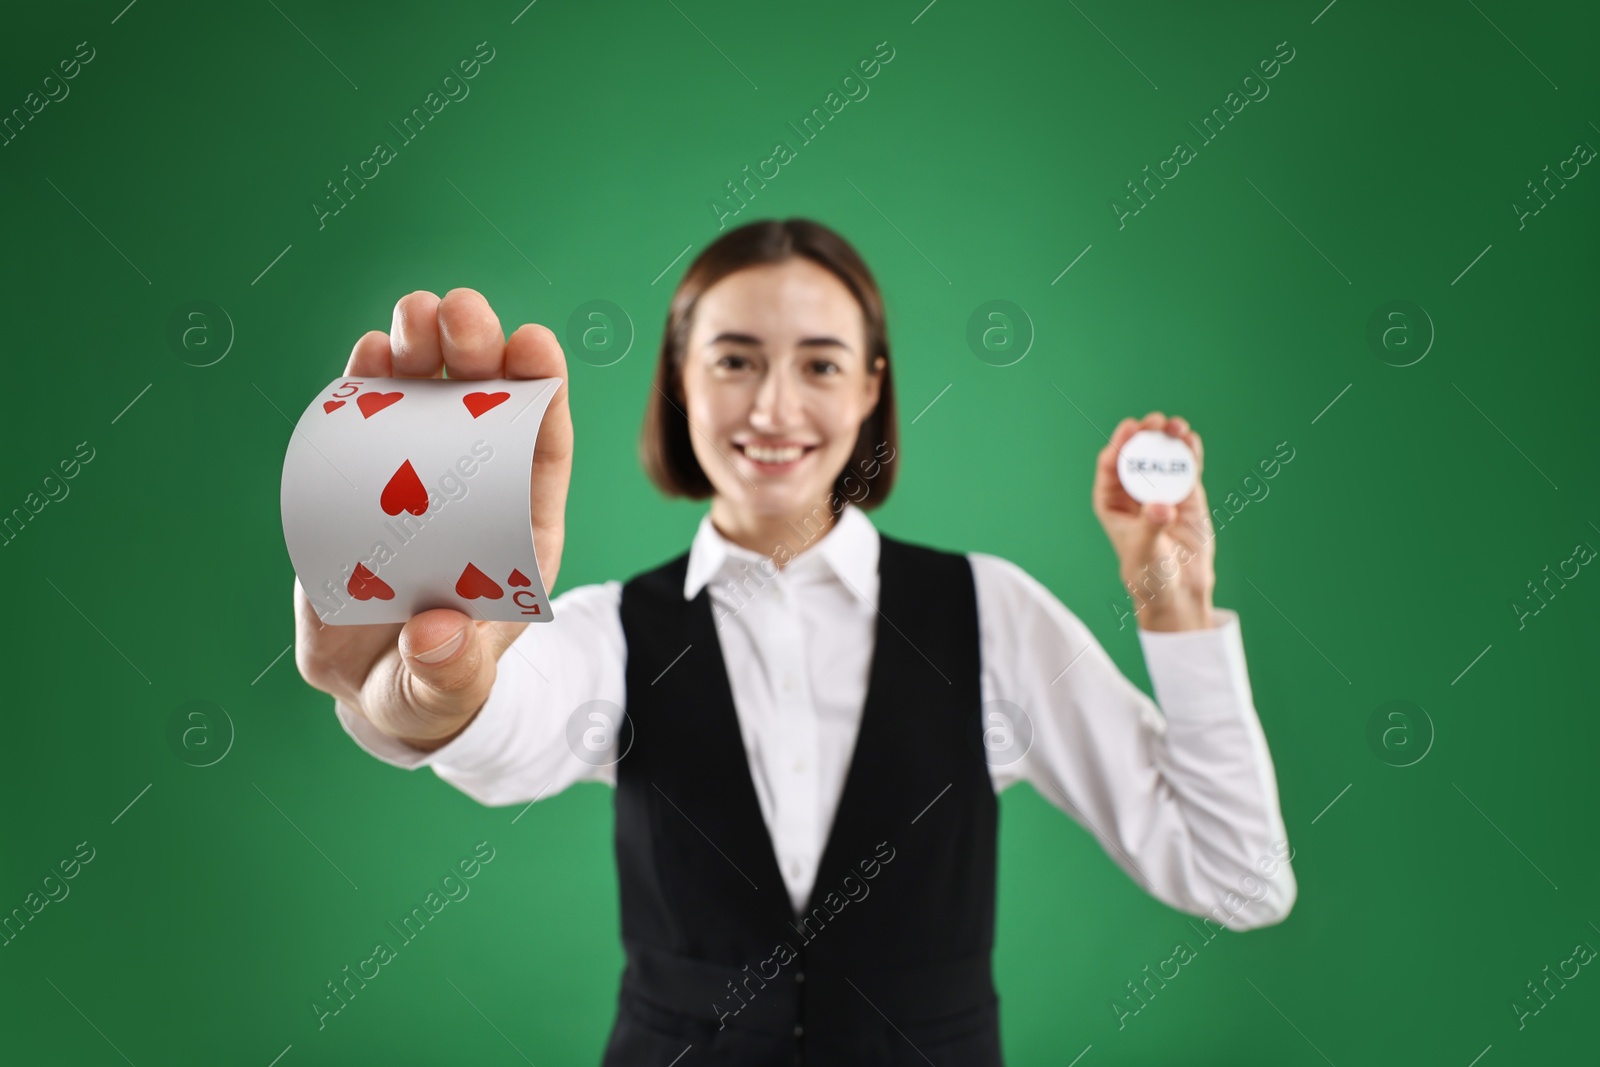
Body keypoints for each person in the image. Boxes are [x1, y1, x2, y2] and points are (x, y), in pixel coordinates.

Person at [294, 218, 1296, 1065]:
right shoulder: (613, 629)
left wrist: (1175, 603)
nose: (773, 407)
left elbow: (1239, 878)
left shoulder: (991, 613)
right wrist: (443, 685)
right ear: (681, 384)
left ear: (869, 389)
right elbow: (504, 718)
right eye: (733, 359)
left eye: (818, 363)